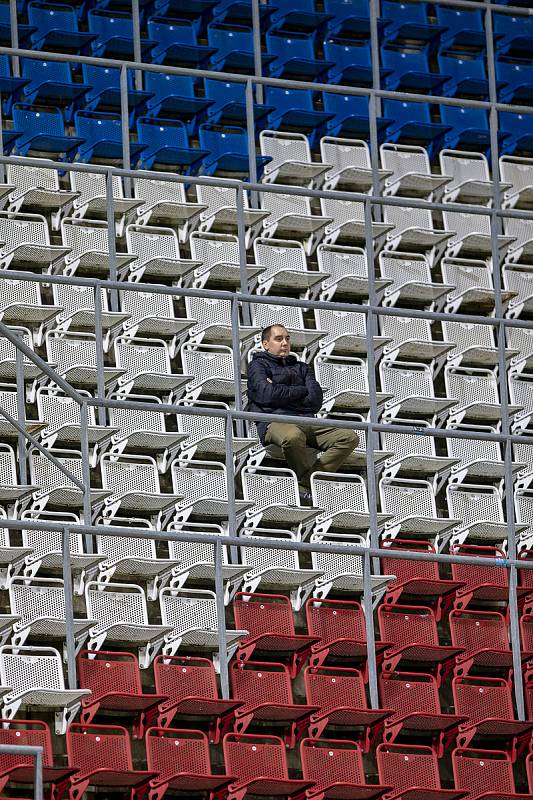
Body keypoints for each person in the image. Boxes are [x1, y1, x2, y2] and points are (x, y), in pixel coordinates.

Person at [247, 323, 359, 493]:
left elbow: (315, 401)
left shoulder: (302, 367)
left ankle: (306, 482)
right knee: (293, 435)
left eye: (287, 338)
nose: (284, 343)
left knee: (348, 437)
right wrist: (300, 391)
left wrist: (280, 391)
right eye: (278, 339)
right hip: (275, 422)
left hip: (306, 420)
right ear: (265, 344)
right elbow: (266, 394)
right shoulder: (258, 366)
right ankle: (308, 483)